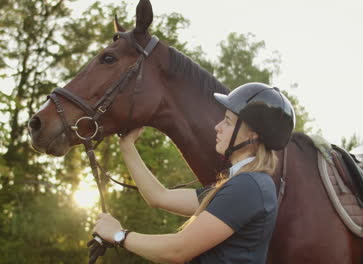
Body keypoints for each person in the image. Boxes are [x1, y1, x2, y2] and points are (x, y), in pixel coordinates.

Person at [93, 82, 295, 263]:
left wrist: (119, 235)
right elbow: (159, 197)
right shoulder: (240, 184)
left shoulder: (249, 187)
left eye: (228, 121)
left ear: (252, 136)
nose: (218, 127)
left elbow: (177, 251)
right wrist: (127, 146)